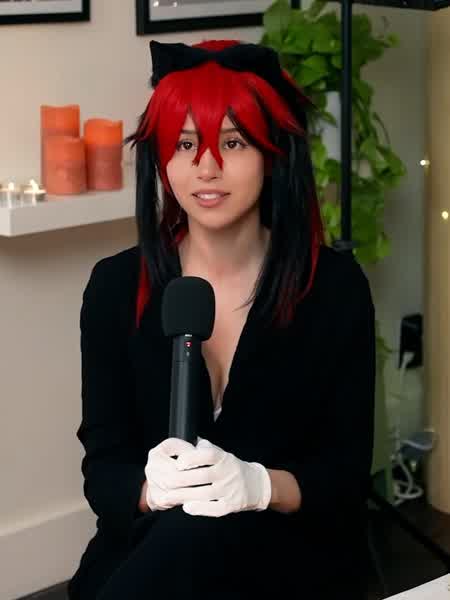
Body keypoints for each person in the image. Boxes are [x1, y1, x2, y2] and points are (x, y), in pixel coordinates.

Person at [67, 39, 376, 600]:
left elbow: (344, 476)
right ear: (162, 159)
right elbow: (105, 470)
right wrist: (150, 490)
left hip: (289, 554)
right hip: (153, 550)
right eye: (185, 144)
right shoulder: (114, 287)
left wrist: (260, 486)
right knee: (181, 536)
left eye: (232, 143)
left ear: (272, 154)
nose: (206, 168)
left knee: (198, 536)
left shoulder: (334, 288)